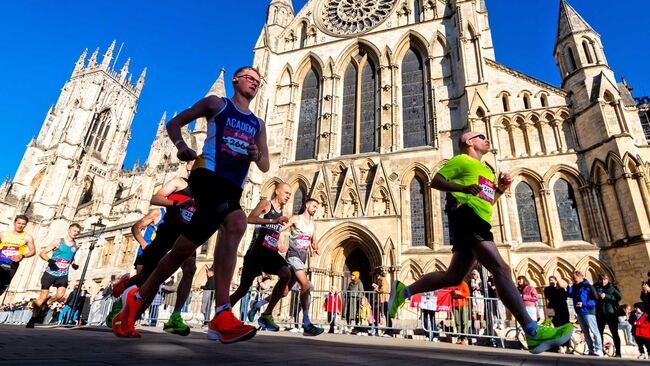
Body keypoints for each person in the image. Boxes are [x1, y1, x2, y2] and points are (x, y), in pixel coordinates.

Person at [113, 66, 269, 344]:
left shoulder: (258, 124)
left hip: (232, 186)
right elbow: (175, 123)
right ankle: (222, 314)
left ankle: (134, 300)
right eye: (249, 78)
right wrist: (180, 145)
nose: (254, 83)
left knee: (182, 250)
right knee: (236, 222)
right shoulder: (216, 104)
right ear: (235, 80)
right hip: (207, 175)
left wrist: (257, 154)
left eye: (258, 81)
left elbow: (265, 165)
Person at [388, 131, 573, 354]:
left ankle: (403, 292)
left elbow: (487, 200)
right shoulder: (462, 160)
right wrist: (462, 188)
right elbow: (435, 181)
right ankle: (532, 331)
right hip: (469, 218)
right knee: (501, 269)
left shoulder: (484, 170)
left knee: (453, 276)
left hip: (480, 220)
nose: (487, 140)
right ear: (469, 142)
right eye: (481, 136)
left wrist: (500, 190)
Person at [109, 162, 197, 336]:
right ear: (188, 166)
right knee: (148, 278)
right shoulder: (179, 182)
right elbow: (155, 198)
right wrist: (176, 204)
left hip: (186, 235)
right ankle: (127, 299)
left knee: (190, 270)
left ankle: (176, 316)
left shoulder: (204, 192)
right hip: (168, 231)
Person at [230, 182, 291, 331]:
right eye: (286, 193)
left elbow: (275, 233)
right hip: (256, 252)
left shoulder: (284, 212)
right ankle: (221, 313)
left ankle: (267, 314)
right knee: (243, 289)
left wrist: (280, 244)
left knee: (286, 273)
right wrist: (272, 220)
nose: (288, 196)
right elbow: (250, 218)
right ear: (277, 191)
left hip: (270, 253)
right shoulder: (266, 204)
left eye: (290, 194)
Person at [280, 197, 324, 336]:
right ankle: (307, 323)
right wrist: (280, 243)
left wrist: (317, 248)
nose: (315, 209)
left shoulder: (313, 225)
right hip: (293, 256)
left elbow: (314, 242)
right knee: (306, 284)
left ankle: (259, 305)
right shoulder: (295, 219)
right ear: (307, 205)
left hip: (301, 259)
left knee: (284, 292)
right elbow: (280, 229)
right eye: (314, 206)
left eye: (317, 207)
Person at [27, 223, 82, 328]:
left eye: (78, 232)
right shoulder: (58, 241)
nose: (76, 233)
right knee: (42, 297)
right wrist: (50, 260)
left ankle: (47, 304)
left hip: (63, 274)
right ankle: (32, 319)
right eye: (74, 231)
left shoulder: (76, 245)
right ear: (69, 230)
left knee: (60, 295)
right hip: (50, 273)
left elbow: (72, 256)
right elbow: (42, 253)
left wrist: (73, 264)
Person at [567, 270, 603, 356]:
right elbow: (570, 294)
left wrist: (584, 304)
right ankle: (591, 349)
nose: (574, 280)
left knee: (594, 331)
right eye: (573, 278)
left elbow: (595, 299)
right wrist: (569, 285)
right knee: (585, 332)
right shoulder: (576, 287)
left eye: (575, 278)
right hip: (579, 312)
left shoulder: (588, 286)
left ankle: (599, 349)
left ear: (581, 277)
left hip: (588, 312)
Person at [0, 215, 35, 297]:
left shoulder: (27, 237)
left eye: (23, 224)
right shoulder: (3, 234)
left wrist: (22, 256)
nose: (20, 225)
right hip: (0, 261)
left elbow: (33, 251)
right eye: (19, 223)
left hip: (12, 265)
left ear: (26, 225)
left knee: (1, 289)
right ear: (14, 223)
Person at [594, 274, 623, 357]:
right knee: (599, 333)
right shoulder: (596, 287)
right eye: (601, 280)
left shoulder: (612, 287)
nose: (603, 282)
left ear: (607, 279)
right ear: (599, 280)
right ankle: (601, 350)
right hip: (600, 313)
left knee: (614, 333)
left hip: (611, 313)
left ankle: (618, 352)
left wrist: (606, 296)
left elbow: (619, 297)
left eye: (605, 280)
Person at [372, 271, 391, 336]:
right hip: (383, 300)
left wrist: (377, 289)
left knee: (387, 315)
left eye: (377, 275)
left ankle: (389, 330)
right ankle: (387, 330)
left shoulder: (383, 280)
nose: (376, 277)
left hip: (384, 300)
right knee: (385, 314)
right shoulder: (382, 280)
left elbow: (383, 289)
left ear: (379, 275)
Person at [469, 269, 485, 334]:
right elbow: (469, 288)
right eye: (472, 274)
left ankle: (481, 325)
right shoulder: (470, 281)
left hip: (480, 297)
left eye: (474, 274)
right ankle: (475, 324)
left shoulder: (481, 281)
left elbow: (484, 289)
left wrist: (479, 288)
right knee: (474, 311)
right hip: (473, 298)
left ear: (477, 275)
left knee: (481, 312)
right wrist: (472, 289)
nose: (473, 275)